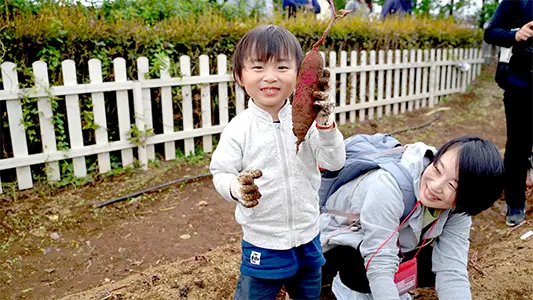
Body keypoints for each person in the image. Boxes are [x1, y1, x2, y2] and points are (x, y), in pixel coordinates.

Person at [209, 24, 346, 300]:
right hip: (264, 242)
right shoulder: (239, 128)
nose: (270, 77)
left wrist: (325, 123)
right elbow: (220, 172)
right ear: (239, 76)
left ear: (298, 75)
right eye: (258, 68)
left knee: (307, 295)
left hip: (308, 237)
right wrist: (236, 188)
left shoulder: (308, 123)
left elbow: (334, 161)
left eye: (282, 68)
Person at [319, 136, 504, 300]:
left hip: (392, 240)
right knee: (362, 271)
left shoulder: (458, 209)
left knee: (433, 264)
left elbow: (452, 269)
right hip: (340, 240)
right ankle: (343, 285)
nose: (435, 186)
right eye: (438, 170)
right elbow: (380, 264)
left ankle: (394, 286)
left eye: (453, 186)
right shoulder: (387, 186)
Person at [484, 0, 533, 226]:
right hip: (519, 85)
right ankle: (515, 203)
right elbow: (491, 32)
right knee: (518, 146)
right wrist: (516, 34)